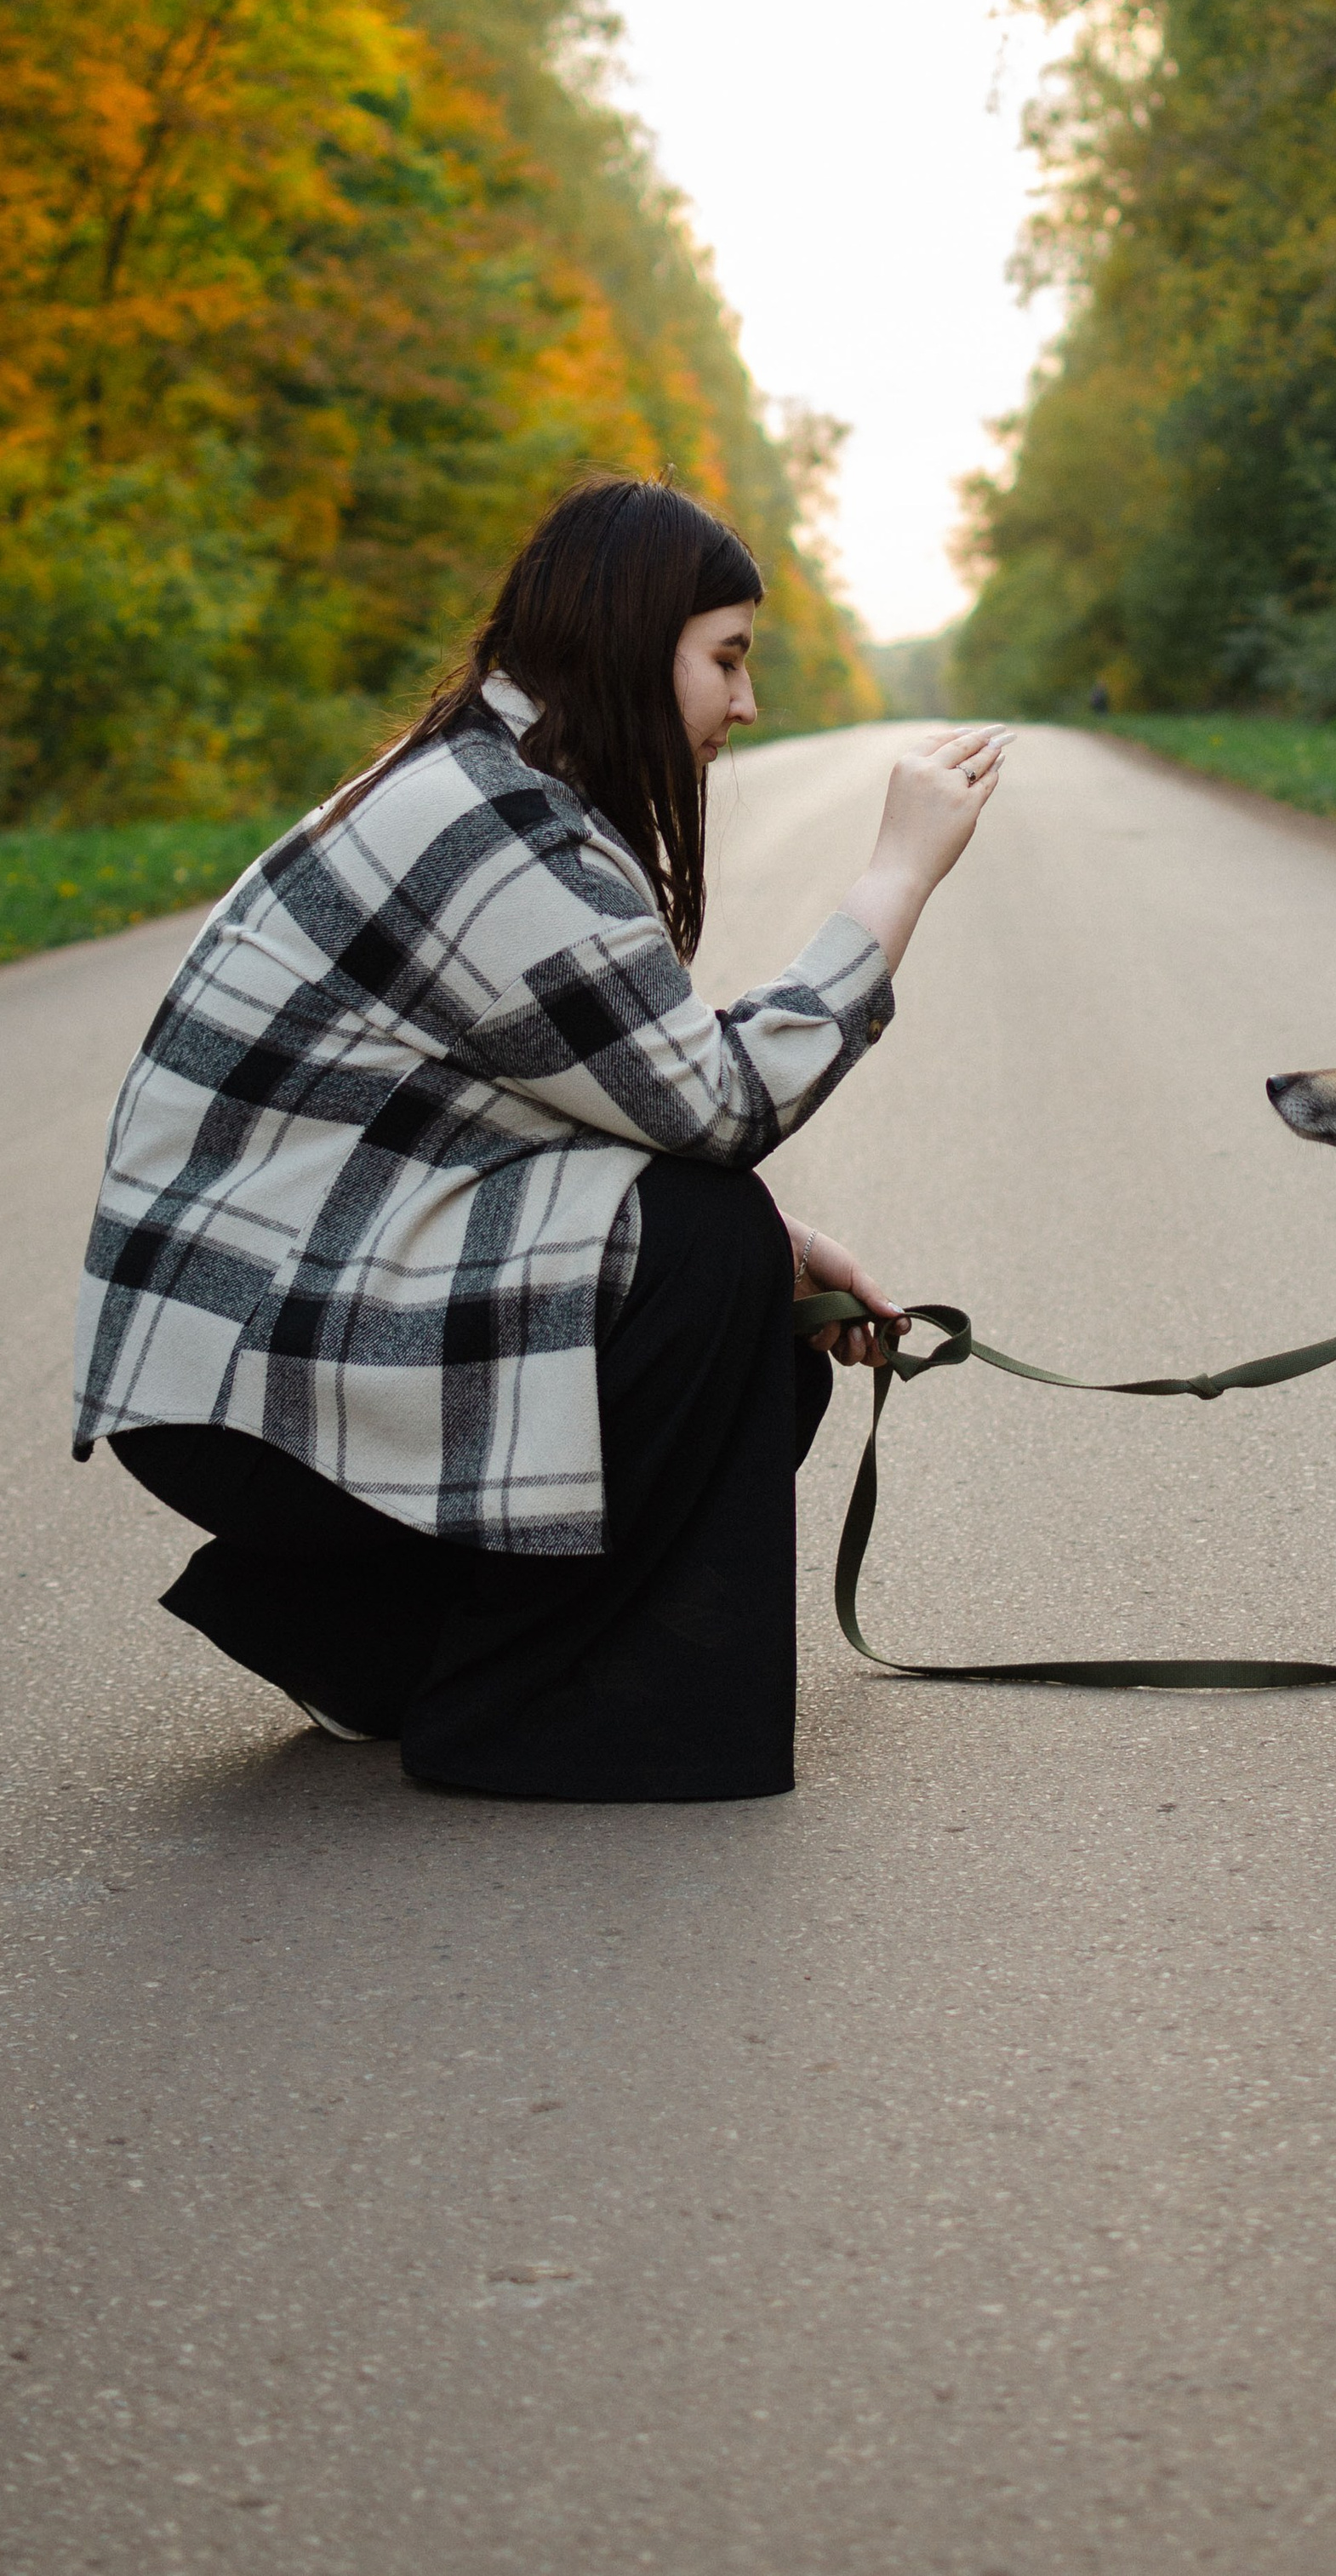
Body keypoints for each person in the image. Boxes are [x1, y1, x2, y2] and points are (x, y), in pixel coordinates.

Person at [71, 476, 1010, 1802]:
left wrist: (785, 1245)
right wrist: (897, 876)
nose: (747, 702)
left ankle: (367, 1646)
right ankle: (549, 1709)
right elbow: (718, 1108)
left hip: (255, 1347)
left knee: (744, 1289)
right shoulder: (496, 829)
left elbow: (587, 1103)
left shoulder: (501, 787)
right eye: (727, 658)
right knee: (711, 1253)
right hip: (241, 1380)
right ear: (632, 644)